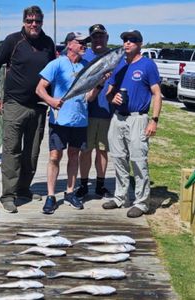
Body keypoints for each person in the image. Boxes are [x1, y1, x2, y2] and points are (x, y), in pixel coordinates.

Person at [0, 6, 56, 213]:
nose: (33, 24)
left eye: (37, 21)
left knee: (33, 152)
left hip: (38, 106)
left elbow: (54, 73)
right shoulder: (13, 40)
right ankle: (8, 195)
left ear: (42, 22)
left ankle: (24, 189)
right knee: (12, 151)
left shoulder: (48, 43)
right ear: (24, 21)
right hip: (14, 105)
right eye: (29, 21)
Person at [36, 32, 107, 214]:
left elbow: (89, 98)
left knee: (74, 157)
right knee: (54, 157)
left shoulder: (87, 66)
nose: (85, 45)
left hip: (79, 120)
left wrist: (99, 84)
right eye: (81, 42)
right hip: (59, 120)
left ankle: (69, 192)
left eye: (86, 42)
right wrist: (51, 101)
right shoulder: (57, 63)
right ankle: (51, 196)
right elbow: (39, 88)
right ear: (69, 44)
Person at [102, 29, 162, 218]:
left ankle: (142, 202)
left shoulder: (147, 65)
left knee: (138, 160)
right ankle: (121, 197)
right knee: (119, 159)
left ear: (140, 44)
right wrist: (113, 98)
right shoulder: (119, 65)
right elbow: (108, 93)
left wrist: (154, 120)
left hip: (138, 118)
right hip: (118, 118)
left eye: (132, 40)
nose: (127, 43)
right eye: (125, 40)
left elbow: (157, 94)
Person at [75, 24, 112, 200]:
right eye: (95, 36)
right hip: (86, 113)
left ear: (107, 38)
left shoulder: (115, 57)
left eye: (101, 36)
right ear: (90, 39)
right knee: (86, 150)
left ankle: (100, 185)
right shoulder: (84, 56)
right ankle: (83, 185)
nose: (98, 39)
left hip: (107, 112)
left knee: (103, 150)